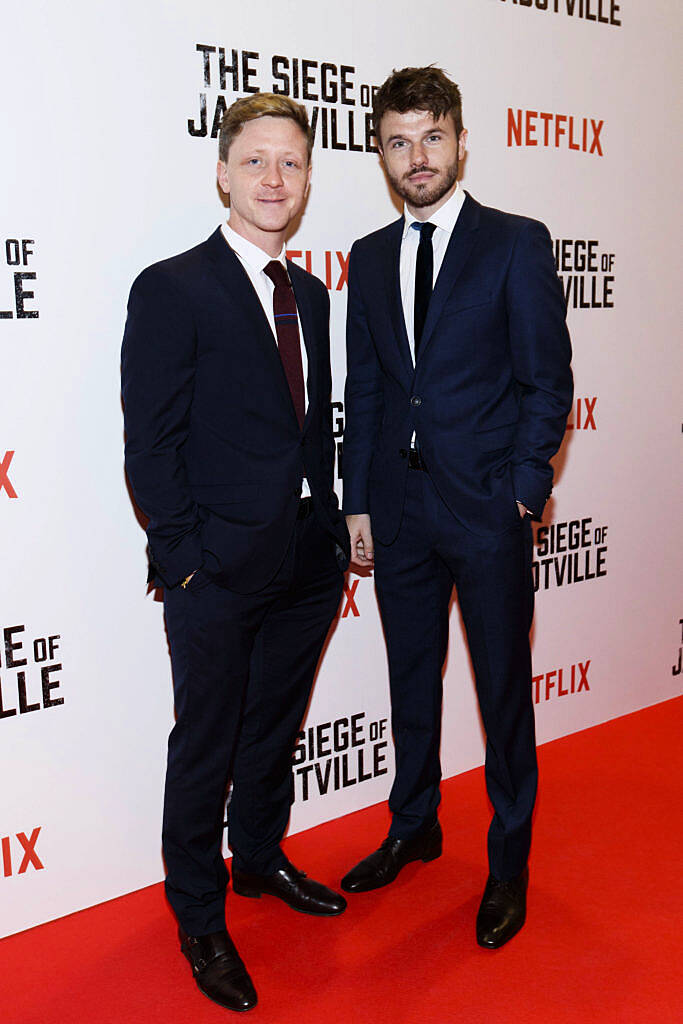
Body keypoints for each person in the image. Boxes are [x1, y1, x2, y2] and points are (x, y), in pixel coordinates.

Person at [121, 93, 349, 1013]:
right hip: (213, 571)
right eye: (255, 161)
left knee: (272, 728)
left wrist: (331, 526)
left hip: (305, 558)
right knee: (204, 745)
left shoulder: (312, 294)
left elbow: (312, 433)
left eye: (290, 164)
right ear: (222, 173)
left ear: (305, 182)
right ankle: (200, 919)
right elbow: (149, 444)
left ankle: (257, 861)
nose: (273, 179)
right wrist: (182, 561)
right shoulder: (173, 287)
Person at [341, 66, 573, 949]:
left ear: (461, 141)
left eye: (431, 137)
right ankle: (414, 824)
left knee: (503, 692)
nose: (417, 156)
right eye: (398, 141)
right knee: (410, 683)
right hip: (397, 514)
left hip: (485, 511)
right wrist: (355, 498)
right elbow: (367, 386)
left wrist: (523, 489)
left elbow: (546, 382)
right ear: (381, 155)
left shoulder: (514, 242)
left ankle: (507, 859)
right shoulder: (366, 256)